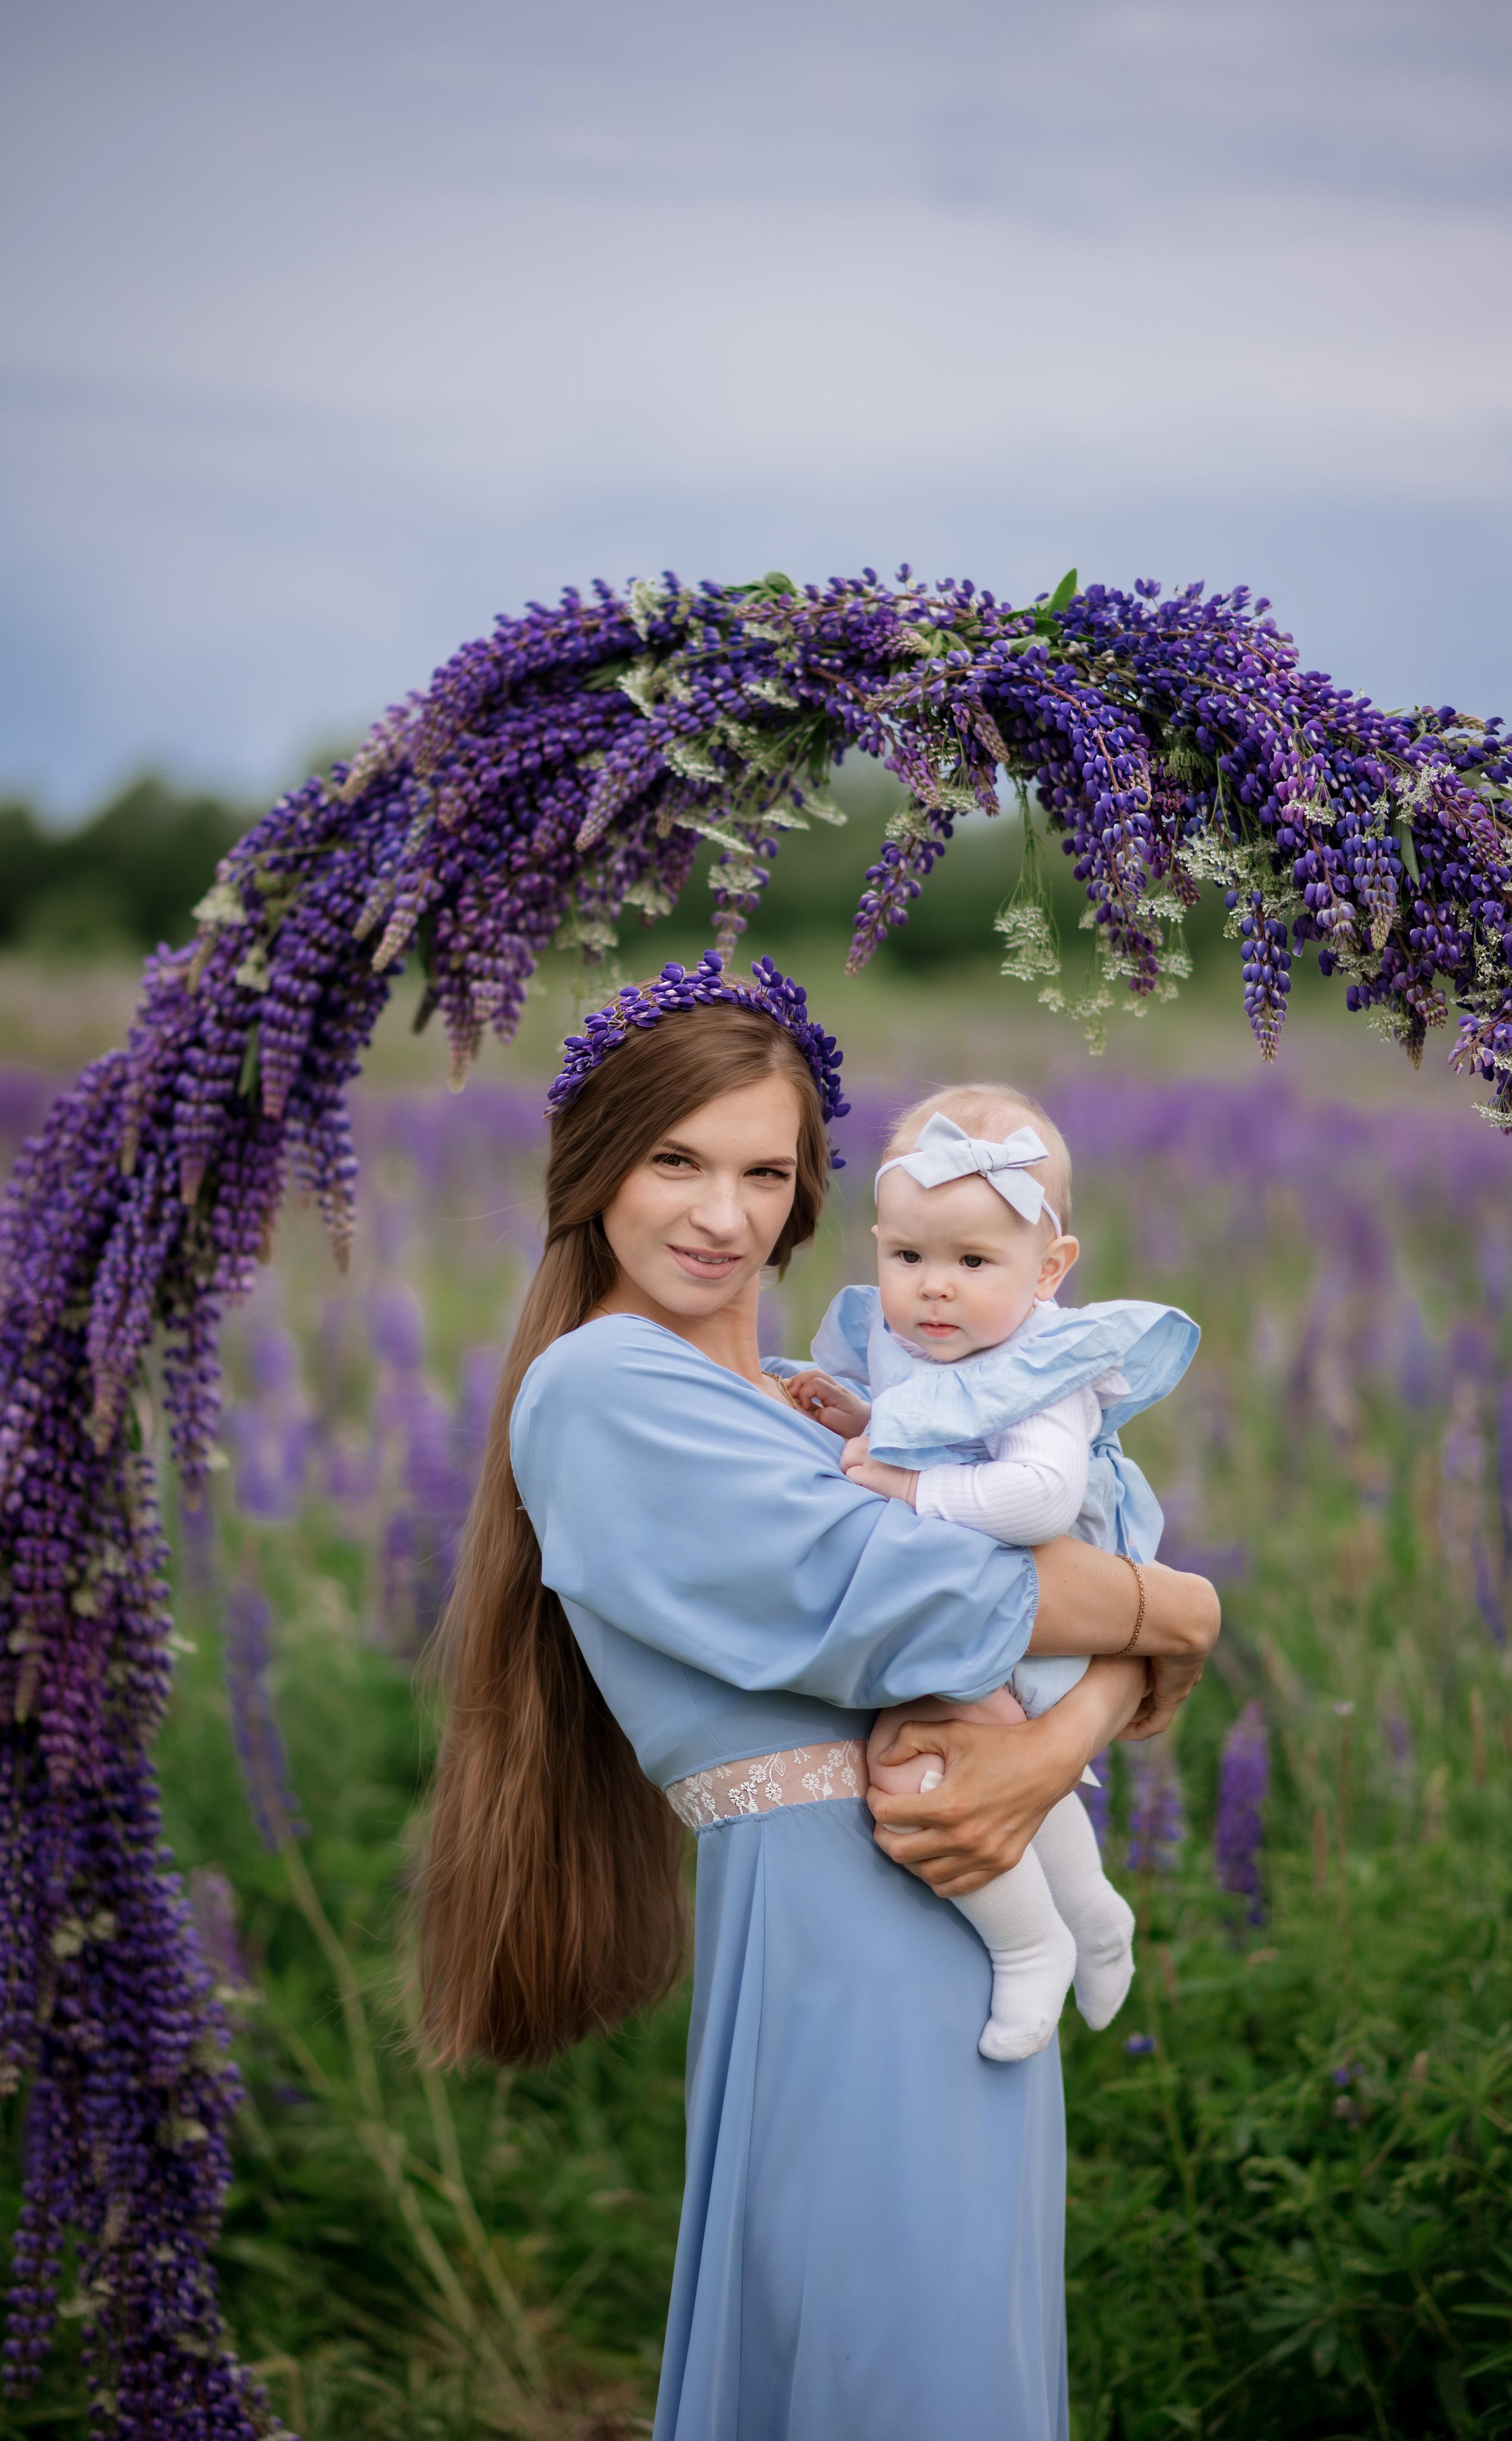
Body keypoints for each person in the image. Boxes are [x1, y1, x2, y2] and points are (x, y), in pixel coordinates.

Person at [418, 950, 1221, 2441]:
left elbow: (1033, 1618)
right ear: (594, 1165)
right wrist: (1175, 1610)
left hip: (947, 1895)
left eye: (765, 1172)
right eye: (675, 1161)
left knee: (952, 2339)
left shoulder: (819, 1396)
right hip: (842, 1922)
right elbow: (897, 1607)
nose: (723, 1215)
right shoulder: (605, 1387)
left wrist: (1065, 1734)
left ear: (808, 1197)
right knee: (885, 2354)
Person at [783, 1085, 1197, 2061]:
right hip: (979, 1600)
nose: (934, 1287)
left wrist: (897, 1485)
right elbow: (927, 1429)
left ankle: (1031, 1946)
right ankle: (1094, 1913)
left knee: (925, 1767)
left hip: (1041, 1593)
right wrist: (859, 1421)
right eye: (908, 1256)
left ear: (1049, 1270)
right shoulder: (923, 1343)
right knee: (1017, 1775)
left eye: (973, 1261)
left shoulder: (1040, 1372)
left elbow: (1040, 1503)